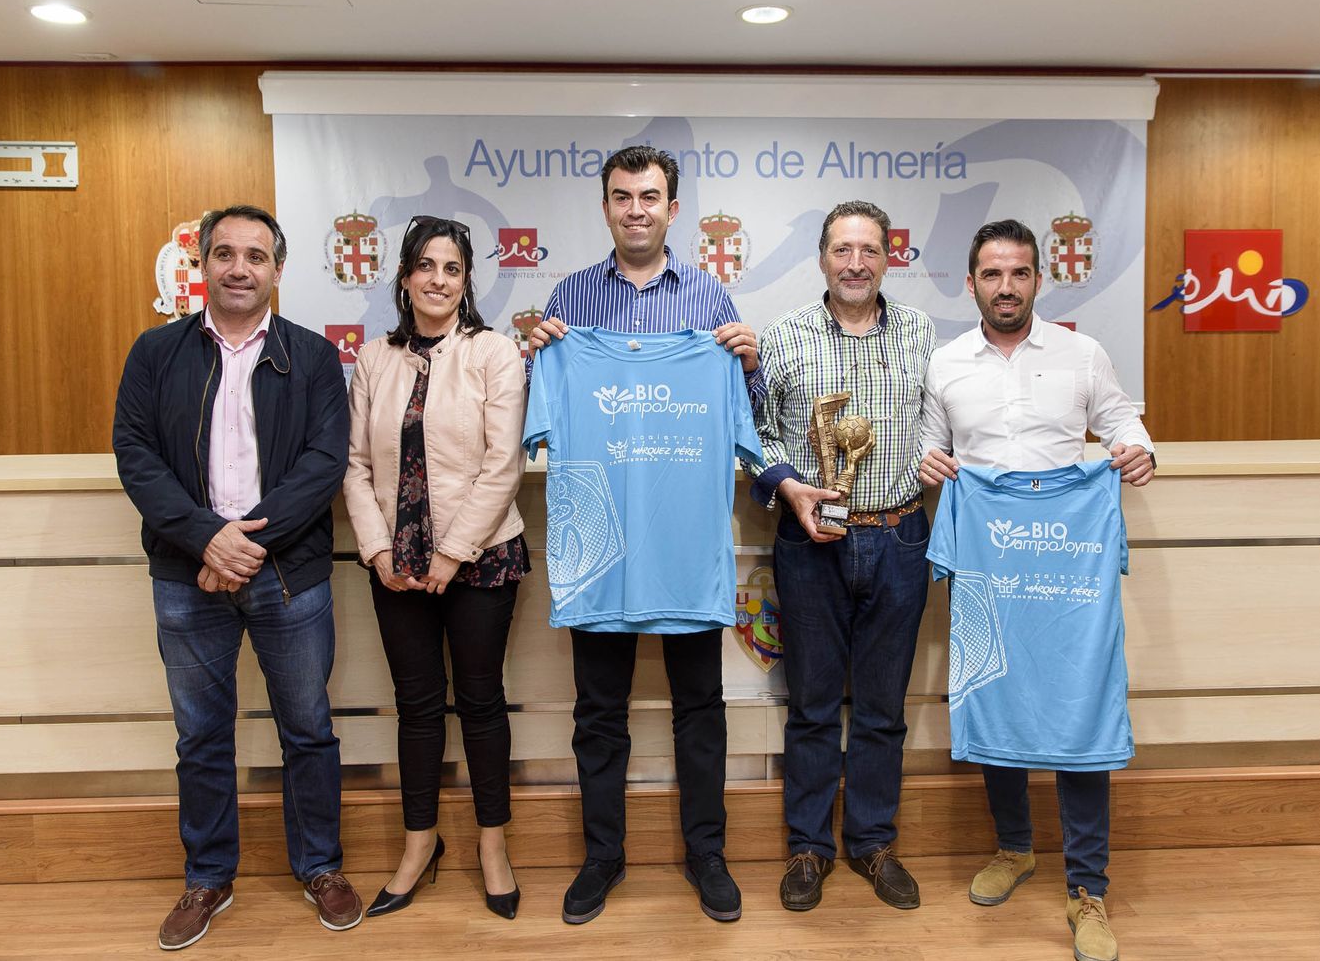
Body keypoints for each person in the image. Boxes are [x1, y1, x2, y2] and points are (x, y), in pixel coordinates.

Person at [112, 204, 359, 950]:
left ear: (278, 270)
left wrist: (245, 545)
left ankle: (319, 866)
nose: (240, 268)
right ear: (204, 264)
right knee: (201, 736)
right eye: (225, 253)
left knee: (309, 731)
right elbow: (135, 454)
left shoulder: (313, 358)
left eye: (256, 255)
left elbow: (325, 462)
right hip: (188, 575)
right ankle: (208, 877)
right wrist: (205, 540)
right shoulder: (155, 353)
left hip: (288, 575)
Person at [527, 145, 760, 924]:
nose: (636, 208)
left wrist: (747, 362)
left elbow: (747, 414)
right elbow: (539, 414)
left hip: (686, 550)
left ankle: (708, 855)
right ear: (605, 207)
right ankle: (602, 858)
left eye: (650, 196)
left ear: (673, 207)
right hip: (601, 551)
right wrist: (539, 357)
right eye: (622, 196)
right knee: (598, 711)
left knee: (702, 706)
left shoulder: (709, 299)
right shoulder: (569, 302)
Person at [918, 218, 1155, 961]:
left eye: (1019, 273)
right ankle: (1015, 847)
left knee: (1078, 710)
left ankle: (1088, 887)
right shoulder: (946, 362)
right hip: (987, 563)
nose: (1006, 286)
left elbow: (1124, 422)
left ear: (1038, 281)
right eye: (992, 274)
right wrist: (930, 464)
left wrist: (1138, 450)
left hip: (1068, 567)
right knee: (997, 694)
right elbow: (931, 443)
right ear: (972, 283)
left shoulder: (1083, 354)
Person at [750, 200, 937, 912]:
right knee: (814, 707)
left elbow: (941, 425)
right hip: (810, 541)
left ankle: (873, 842)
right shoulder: (784, 336)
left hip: (898, 537)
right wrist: (789, 488)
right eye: (841, 250)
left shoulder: (922, 334)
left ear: (889, 257)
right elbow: (759, 437)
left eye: (869, 250)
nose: (855, 263)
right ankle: (808, 849)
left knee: (884, 708)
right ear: (822, 258)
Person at [342, 216, 530, 920]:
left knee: (480, 703)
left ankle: (492, 845)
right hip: (395, 563)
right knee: (417, 709)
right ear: (403, 276)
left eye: (451, 269)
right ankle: (419, 844)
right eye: (425, 266)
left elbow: (501, 464)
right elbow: (356, 467)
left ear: (467, 280)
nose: (437, 280)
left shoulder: (495, 353)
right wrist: (379, 550)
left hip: (479, 559)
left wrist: (451, 555)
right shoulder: (373, 359)